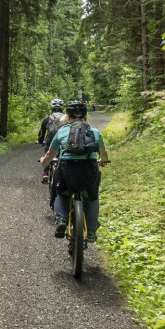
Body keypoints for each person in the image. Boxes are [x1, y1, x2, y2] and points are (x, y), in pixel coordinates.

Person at [39, 99, 109, 241]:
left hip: (67, 169)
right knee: (92, 198)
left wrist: (43, 162)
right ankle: (90, 232)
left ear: (67, 116)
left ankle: (62, 220)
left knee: (61, 193)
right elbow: (104, 155)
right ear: (85, 115)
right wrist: (103, 161)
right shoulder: (94, 131)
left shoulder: (62, 131)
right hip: (89, 169)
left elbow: (50, 155)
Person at [36, 98, 66, 183]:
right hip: (64, 142)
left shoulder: (47, 119)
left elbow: (41, 133)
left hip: (50, 142)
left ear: (51, 108)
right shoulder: (67, 119)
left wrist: (41, 142)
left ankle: (45, 173)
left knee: (48, 155)